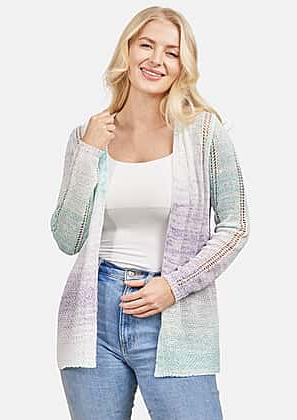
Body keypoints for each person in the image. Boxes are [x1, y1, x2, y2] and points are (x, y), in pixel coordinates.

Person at [50, 6, 250, 420]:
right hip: (92, 320)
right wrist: (88, 151)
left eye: (171, 52)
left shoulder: (203, 133)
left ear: (183, 66)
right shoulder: (87, 137)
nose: (156, 60)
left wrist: (173, 286)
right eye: (146, 45)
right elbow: (67, 238)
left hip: (174, 316)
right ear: (127, 50)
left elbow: (236, 225)